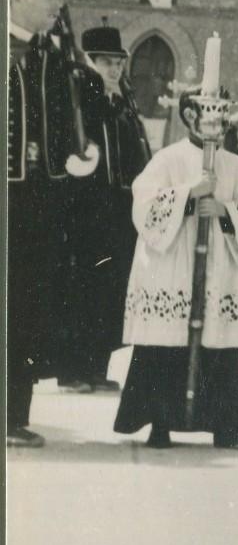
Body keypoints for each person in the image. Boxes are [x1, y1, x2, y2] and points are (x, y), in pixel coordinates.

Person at [113, 87, 238, 449]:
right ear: (189, 117)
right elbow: (145, 206)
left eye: (221, 115)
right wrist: (188, 194)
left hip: (217, 264)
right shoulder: (167, 159)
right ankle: (160, 423)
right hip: (172, 264)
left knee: (217, 343)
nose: (217, 122)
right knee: (166, 342)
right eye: (208, 114)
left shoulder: (236, 165)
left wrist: (226, 212)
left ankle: (226, 426)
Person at [7, 0, 100, 447]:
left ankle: (12, 414)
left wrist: (72, 156)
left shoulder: (51, 56)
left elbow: (61, 126)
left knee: (25, 307)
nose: (56, 3)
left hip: (37, 207)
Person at [60, 23, 151, 393]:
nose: (114, 70)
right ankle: (71, 369)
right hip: (89, 212)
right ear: (91, 63)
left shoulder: (124, 105)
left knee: (110, 291)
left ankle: (97, 365)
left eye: (118, 63)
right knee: (83, 288)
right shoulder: (84, 102)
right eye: (107, 63)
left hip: (120, 213)